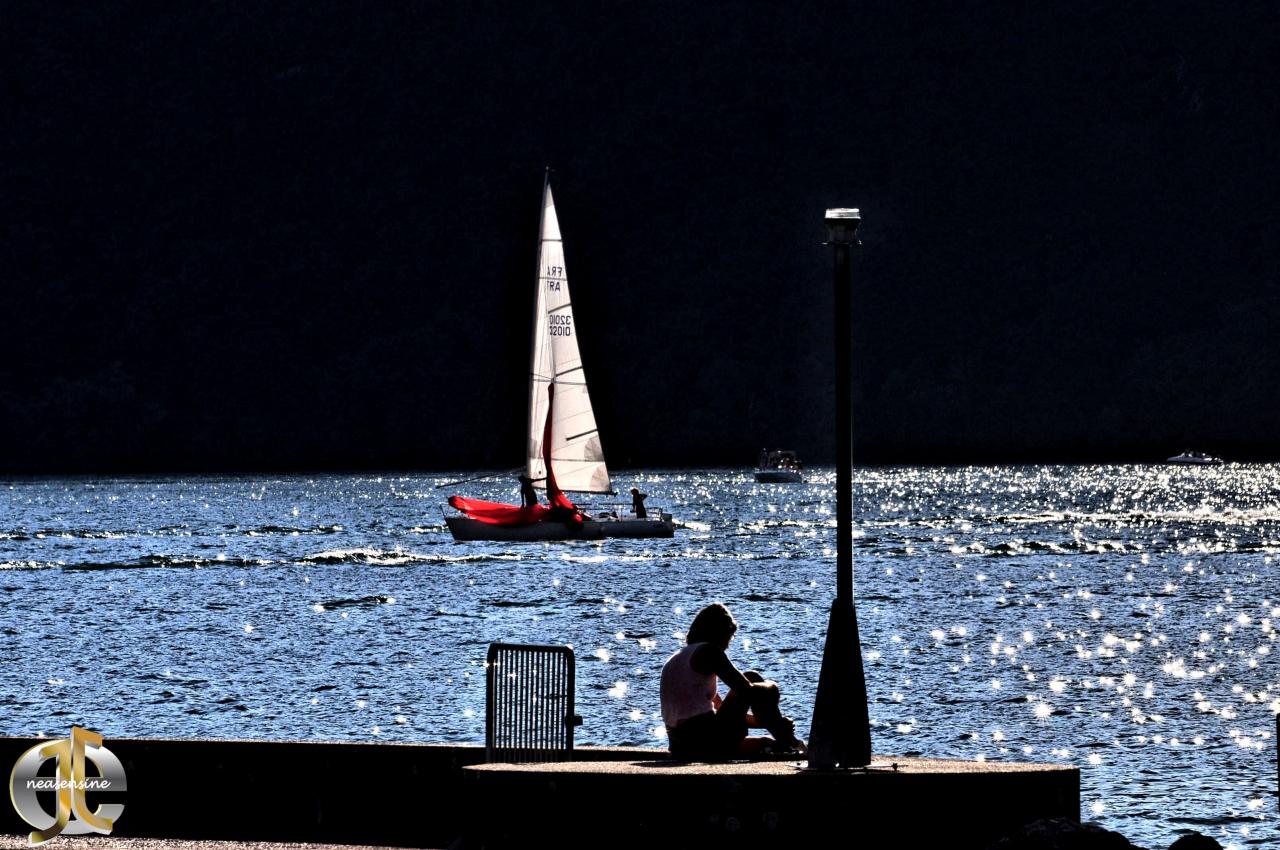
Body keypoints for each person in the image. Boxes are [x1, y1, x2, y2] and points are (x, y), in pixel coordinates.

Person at [660, 603, 804, 760]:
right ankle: (791, 741)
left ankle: (787, 742)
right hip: (704, 740)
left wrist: (766, 722)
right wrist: (772, 687)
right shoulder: (709, 652)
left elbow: (721, 710)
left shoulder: (680, 657)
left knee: (767, 743)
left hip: (682, 745)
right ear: (721, 632)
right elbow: (746, 690)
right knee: (752, 677)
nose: (728, 645)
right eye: (730, 636)